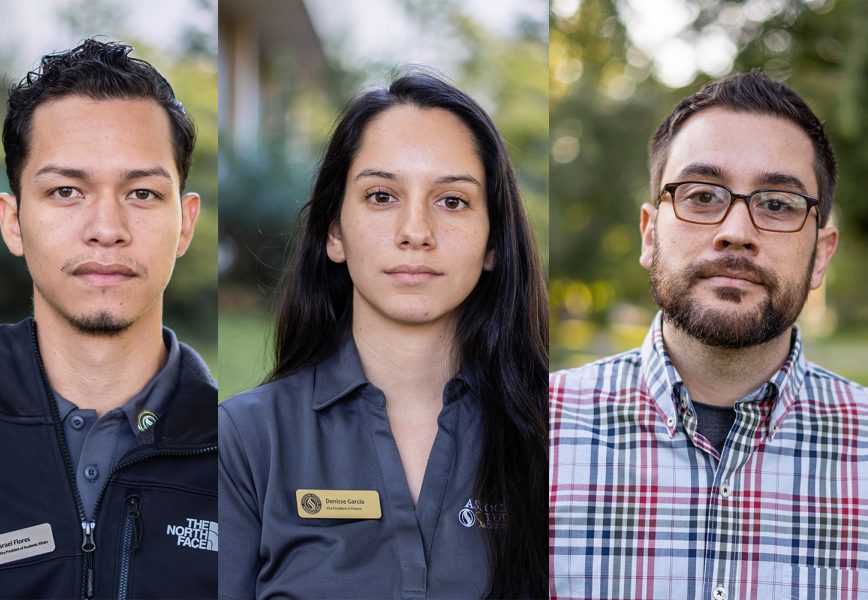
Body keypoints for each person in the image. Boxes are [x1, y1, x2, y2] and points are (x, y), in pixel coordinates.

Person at [219, 72, 548, 599]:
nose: (415, 231)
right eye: (381, 195)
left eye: (453, 201)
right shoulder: (244, 441)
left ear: (493, 243)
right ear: (334, 233)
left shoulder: (554, 436)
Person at [549, 70, 868, 599]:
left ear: (821, 255)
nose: (736, 233)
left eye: (777, 204)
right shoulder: (533, 432)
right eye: (701, 195)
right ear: (651, 234)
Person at [0, 40, 217, 598]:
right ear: (13, 222)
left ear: (185, 223)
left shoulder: (253, 458)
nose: (107, 227)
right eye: (66, 191)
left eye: (143, 192)